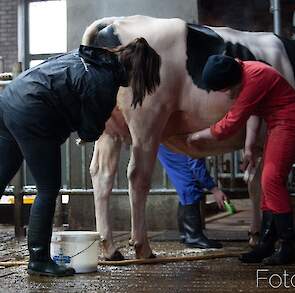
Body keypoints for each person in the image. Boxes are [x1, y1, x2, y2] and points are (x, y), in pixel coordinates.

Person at [0, 38, 161, 276]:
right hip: (32, 112)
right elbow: (89, 131)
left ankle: (39, 258)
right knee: (48, 188)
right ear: (137, 71)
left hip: (9, 99)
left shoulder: (90, 57)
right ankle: (39, 260)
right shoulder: (105, 83)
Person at [187, 54, 295, 265]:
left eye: (225, 90)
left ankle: (289, 245)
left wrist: (197, 135)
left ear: (231, 82)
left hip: (288, 122)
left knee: (271, 180)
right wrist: (249, 147)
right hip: (277, 123)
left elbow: (231, 123)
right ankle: (266, 243)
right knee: (268, 183)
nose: (227, 95)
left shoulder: (254, 78)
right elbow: (254, 111)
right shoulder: (246, 73)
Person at [157, 144, 227, 249]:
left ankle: (185, 234)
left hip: (166, 140)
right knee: (189, 184)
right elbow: (196, 164)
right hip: (169, 142)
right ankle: (193, 236)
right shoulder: (200, 135)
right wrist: (214, 189)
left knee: (185, 184)